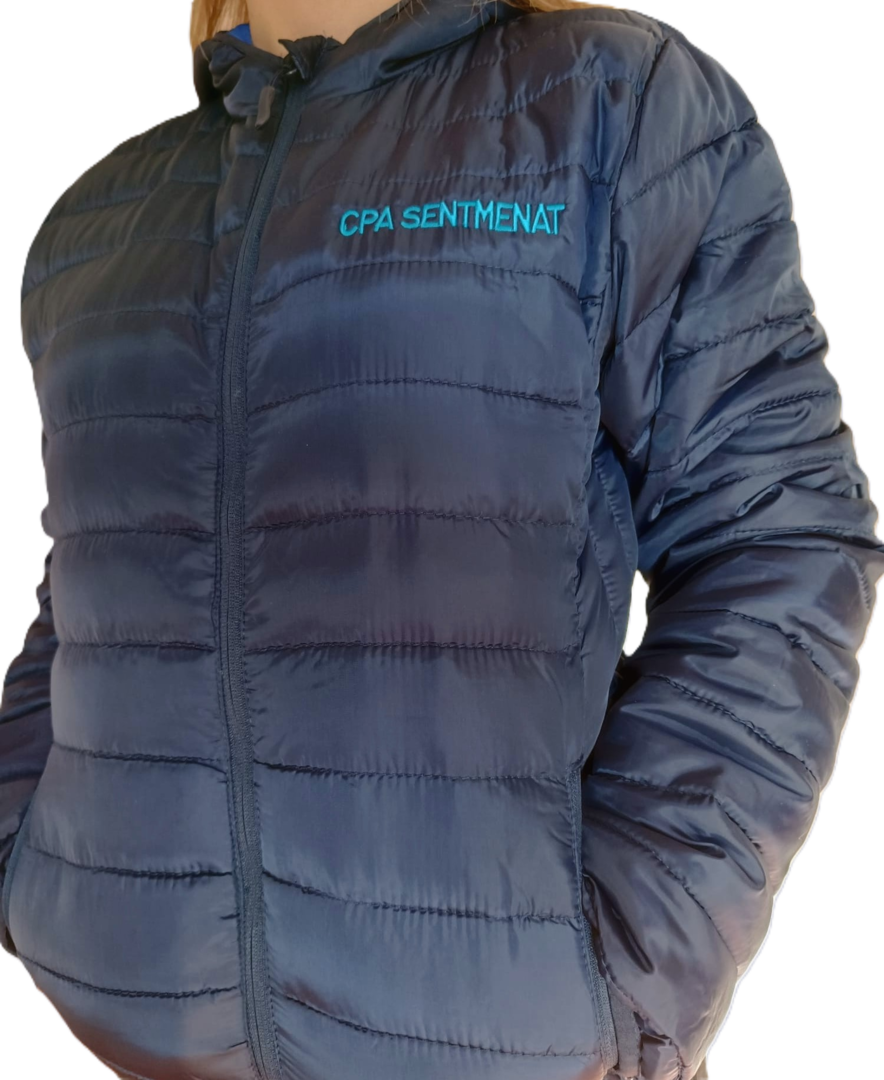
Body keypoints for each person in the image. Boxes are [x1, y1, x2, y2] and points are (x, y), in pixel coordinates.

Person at [3, 1, 881, 1077]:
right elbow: (87, 566)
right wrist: (22, 851)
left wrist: (629, 978)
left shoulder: (604, 103)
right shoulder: (94, 219)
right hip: (114, 1028)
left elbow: (779, 537)